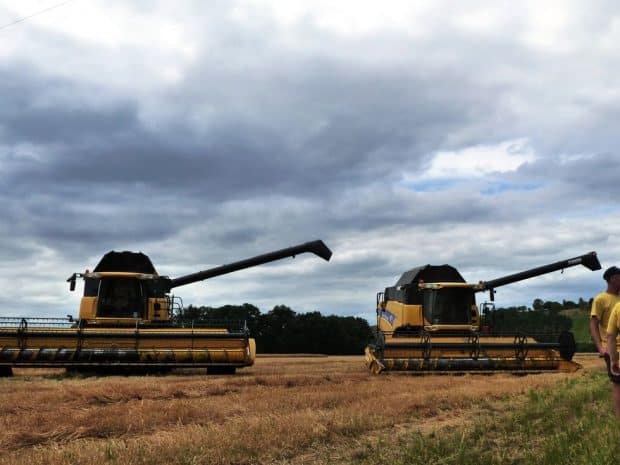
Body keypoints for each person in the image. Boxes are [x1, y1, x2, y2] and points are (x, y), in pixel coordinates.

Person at [590, 266, 620, 356]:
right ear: (611, 279)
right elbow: (593, 324)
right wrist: (600, 348)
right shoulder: (600, 299)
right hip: (611, 348)